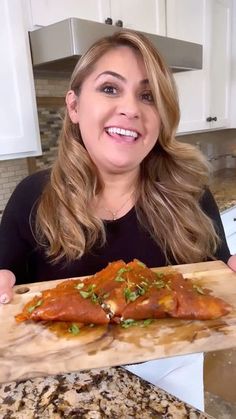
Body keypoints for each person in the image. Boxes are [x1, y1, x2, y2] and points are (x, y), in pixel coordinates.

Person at [0, 29, 235, 410]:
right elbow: (5, 279)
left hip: (172, 382)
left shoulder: (191, 195)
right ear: (74, 107)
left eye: (147, 96)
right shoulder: (32, 197)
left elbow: (219, 272)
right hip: (63, 386)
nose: (131, 108)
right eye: (110, 88)